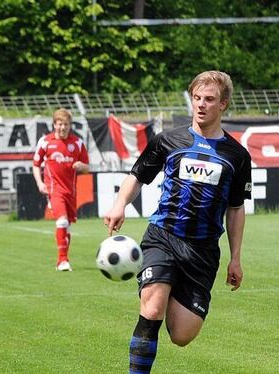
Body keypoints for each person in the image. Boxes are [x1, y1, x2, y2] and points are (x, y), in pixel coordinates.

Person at [103, 71, 251, 373]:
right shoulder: (168, 140)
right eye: (197, 98)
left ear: (223, 104)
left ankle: (167, 286)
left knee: (182, 335)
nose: (201, 105)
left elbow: (235, 208)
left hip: (203, 251)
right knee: (152, 307)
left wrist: (236, 258)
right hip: (163, 236)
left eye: (209, 99)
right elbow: (138, 176)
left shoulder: (237, 156)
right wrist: (119, 204)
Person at [32, 108, 89, 271]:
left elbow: (87, 167)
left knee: (67, 226)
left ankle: (63, 259)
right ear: (54, 125)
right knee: (62, 221)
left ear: (70, 125)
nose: (63, 127)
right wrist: (39, 183)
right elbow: (36, 164)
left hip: (70, 190)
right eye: (60, 124)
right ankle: (62, 261)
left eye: (66, 124)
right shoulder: (45, 141)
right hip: (54, 188)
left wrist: (81, 166)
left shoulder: (77, 143)